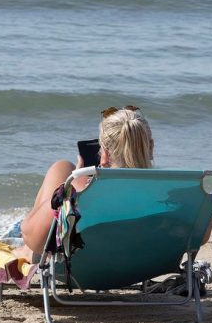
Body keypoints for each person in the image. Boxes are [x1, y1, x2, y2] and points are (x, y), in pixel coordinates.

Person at [19, 105, 154, 256]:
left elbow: (29, 236)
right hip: (139, 259)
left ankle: (24, 252)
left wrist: (73, 185)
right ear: (151, 148)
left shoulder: (83, 190)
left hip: (82, 262)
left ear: (105, 155)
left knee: (61, 167)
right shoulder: (164, 191)